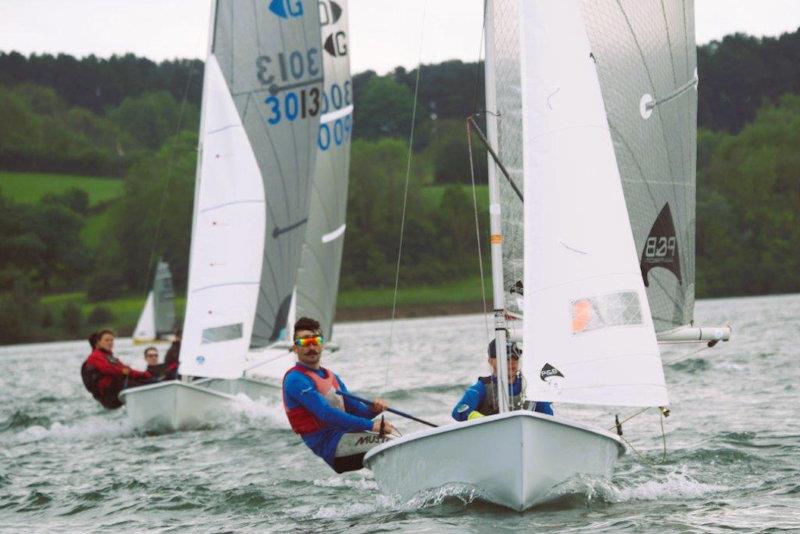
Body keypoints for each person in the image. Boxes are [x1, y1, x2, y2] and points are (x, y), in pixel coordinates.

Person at [282, 317, 397, 473]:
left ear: (322, 344)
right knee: (389, 444)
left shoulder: (332, 377)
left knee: (395, 440)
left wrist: (374, 410)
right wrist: (372, 426)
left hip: (346, 436)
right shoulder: (295, 380)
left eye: (315, 340)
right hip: (331, 447)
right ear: (295, 348)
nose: (311, 346)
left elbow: (357, 410)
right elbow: (326, 413)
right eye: (304, 342)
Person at [451, 339, 553, 421]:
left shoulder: (530, 387)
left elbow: (549, 418)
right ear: (490, 361)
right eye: (506, 357)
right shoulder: (482, 388)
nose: (512, 361)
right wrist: (480, 419)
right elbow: (458, 412)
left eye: (515, 356)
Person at [81, 329, 153, 409]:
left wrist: (143, 374)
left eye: (111, 340)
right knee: (143, 386)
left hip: (118, 387)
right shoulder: (95, 356)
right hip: (109, 393)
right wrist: (124, 371)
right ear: (99, 342)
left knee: (149, 382)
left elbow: (126, 370)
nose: (110, 342)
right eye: (107, 340)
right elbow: (108, 369)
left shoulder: (110, 357)